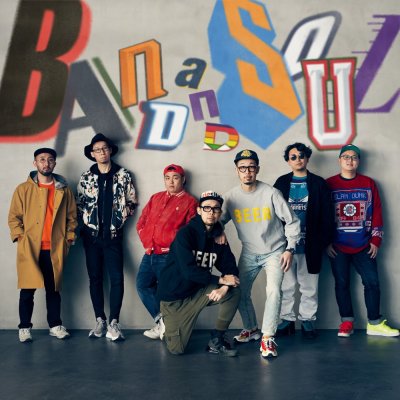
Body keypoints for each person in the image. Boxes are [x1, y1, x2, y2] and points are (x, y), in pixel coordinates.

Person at [220, 149, 300, 358]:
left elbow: (292, 221)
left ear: (257, 169)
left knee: (273, 290)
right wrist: (219, 231)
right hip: (250, 252)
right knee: (239, 291)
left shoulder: (271, 193)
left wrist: (290, 249)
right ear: (237, 171)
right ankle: (251, 329)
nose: (247, 172)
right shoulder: (230, 197)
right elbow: (217, 221)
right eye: (242, 168)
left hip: (275, 250)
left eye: (251, 168)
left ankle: (268, 337)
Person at [327, 144, 399, 337]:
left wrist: (376, 239)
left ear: (358, 161)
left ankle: (374, 323)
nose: (350, 160)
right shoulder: (329, 184)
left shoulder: (368, 183)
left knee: (372, 282)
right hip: (337, 245)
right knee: (341, 283)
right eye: (346, 157)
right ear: (339, 160)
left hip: (364, 244)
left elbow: (377, 211)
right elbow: (322, 214)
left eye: (354, 157)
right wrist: (326, 242)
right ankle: (347, 322)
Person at [157, 191, 240, 356]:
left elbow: (231, 268)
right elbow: (188, 272)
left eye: (216, 209)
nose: (211, 212)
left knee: (234, 292)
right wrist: (222, 280)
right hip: (174, 299)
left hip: (198, 291)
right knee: (177, 350)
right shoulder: (185, 234)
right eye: (207, 208)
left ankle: (217, 340)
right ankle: (166, 324)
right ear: (199, 210)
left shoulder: (218, 237)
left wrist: (224, 287)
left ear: (220, 213)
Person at [8, 148, 77, 342]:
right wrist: (20, 238)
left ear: (54, 163)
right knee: (27, 290)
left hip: (54, 248)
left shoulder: (64, 190)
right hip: (31, 248)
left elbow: (72, 217)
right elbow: (14, 217)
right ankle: (24, 328)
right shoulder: (23, 189)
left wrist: (69, 238)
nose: (46, 163)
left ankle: (55, 325)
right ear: (35, 163)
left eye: (50, 160)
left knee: (53, 290)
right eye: (42, 159)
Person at [77, 133, 137, 341]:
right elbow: (79, 203)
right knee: (95, 278)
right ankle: (99, 320)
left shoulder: (123, 175)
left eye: (105, 148)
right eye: (97, 150)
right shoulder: (86, 176)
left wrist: (119, 220)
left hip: (113, 236)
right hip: (91, 237)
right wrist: (88, 223)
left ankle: (114, 322)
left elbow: (131, 201)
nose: (101, 152)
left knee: (117, 278)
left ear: (110, 150)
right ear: (92, 154)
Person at [274, 143, 333, 338]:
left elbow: (327, 215)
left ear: (307, 158)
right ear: (288, 161)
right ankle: (287, 320)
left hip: (311, 245)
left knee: (309, 286)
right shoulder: (281, 183)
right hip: (286, 246)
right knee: (286, 286)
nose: (298, 159)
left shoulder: (318, 183)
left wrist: (323, 241)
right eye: (293, 157)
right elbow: (273, 214)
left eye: (301, 156)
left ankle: (308, 320)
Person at [136, 164, 197, 339]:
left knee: (168, 292)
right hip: (150, 252)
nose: (171, 182)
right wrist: (147, 240)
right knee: (143, 285)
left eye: (175, 178)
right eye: (167, 178)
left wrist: (172, 246)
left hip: (169, 255)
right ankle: (162, 322)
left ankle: (173, 329)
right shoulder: (156, 197)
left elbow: (192, 231)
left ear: (183, 179)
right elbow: (142, 222)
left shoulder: (190, 202)